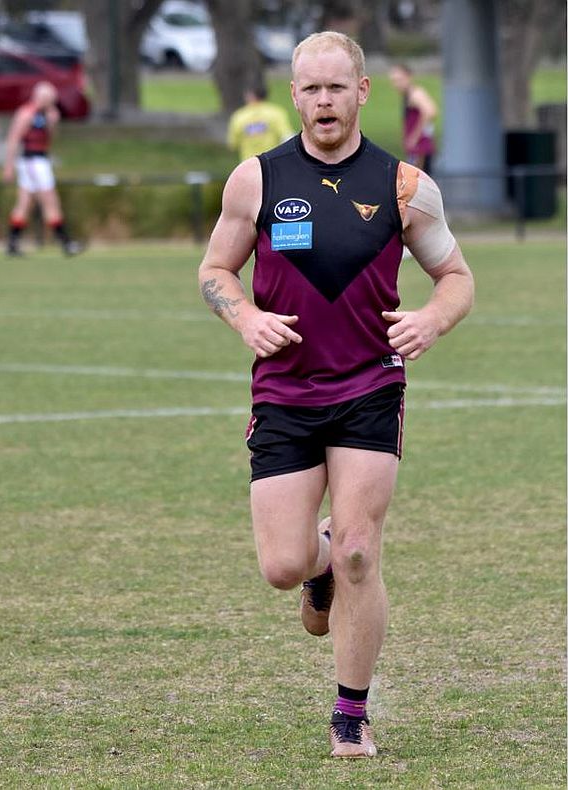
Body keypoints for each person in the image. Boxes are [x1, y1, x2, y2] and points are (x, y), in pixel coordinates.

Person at [196, 32, 473, 758]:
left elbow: (458, 279)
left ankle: (351, 715)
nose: (324, 101)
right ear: (294, 96)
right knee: (285, 566)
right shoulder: (254, 181)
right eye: (310, 88)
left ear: (361, 92)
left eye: (336, 87)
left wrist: (431, 320)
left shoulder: (404, 186)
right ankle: (314, 568)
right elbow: (215, 269)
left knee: (359, 551)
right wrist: (246, 315)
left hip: (370, 384)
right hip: (285, 390)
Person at [2, 81, 82, 257]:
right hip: (33, 161)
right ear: (41, 97)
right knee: (51, 201)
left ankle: (12, 243)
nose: (53, 102)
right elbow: (13, 139)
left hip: (40, 160)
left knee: (24, 204)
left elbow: (50, 139)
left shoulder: (46, 115)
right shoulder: (26, 114)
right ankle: (66, 243)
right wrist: (8, 166)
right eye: (50, 99)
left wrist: (52, 123)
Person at [226, 82, 295, 162]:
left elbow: (233, 144)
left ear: (249, 95)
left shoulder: (239, 116)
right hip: (272, 162)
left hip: (248, 163)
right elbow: (287, 136)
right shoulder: (276, 112)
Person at [388, 63, 437, 173]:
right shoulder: (407, 95)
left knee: (418, 186)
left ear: (408, 77)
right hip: (416, 149)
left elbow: (430, 111)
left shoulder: (415, 94)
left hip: (420, 150)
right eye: (394, 81)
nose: (396, 84)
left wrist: (414, 137)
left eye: (399, 80)